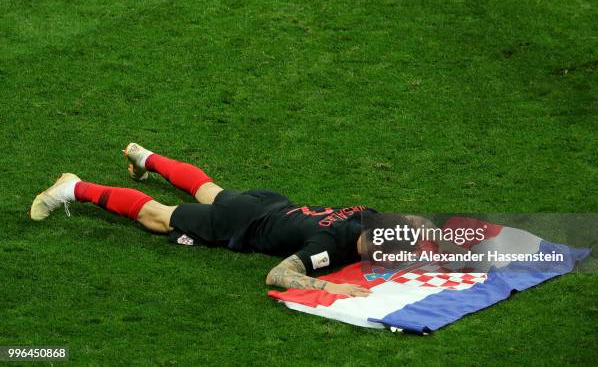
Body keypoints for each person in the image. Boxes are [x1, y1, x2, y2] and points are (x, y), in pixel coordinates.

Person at [30, 143, 382, 297]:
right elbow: (278, 275)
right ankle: (72, 188)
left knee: (207, 189)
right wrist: (329, 286)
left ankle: (144, 157)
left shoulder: (368, 216)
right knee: (159, 217)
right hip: (243, 223)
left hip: (268, 202)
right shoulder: (327, 244)